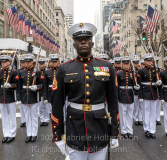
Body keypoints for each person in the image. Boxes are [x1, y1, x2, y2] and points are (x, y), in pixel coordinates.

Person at [51, 23, 119, 159]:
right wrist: (57, 135)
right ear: (74, 44)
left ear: (92, 43)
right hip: (75, 128)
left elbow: (113, 102)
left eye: (87, 39)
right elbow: (57, 104)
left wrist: (114, 132)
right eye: (79, 39)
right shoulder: (64, 69)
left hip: (100, 127)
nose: (83, 41)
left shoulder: (106, 67)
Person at [18, 53, 44, 143]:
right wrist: (19, 98)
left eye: (29, 62)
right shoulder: (21, 72)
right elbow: (19, 86)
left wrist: (37, 87)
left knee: (33, 116)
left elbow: (42, 84)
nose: (27, 63)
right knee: (27, 116)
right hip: (25, 97)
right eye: (26, 62)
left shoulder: (38, 72)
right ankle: (28, 134)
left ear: (33, 62)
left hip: (33, 97)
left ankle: (34, 134)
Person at [137, 53, 162, 139]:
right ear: (144, 61)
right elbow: (139, 84)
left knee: (153, 113)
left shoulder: (155, 70)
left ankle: (152, 130)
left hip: (154, 93)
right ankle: (146, 129)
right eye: (147, 61)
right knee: (145, 112)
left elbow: (158, 82)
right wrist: (140, 95)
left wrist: (159, 84)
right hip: (145, 93)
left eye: (150, 60)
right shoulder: (141, 71)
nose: (149, 62)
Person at [0, 55, 19, 143]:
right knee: (4, 117)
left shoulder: (14, 72)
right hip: (2, 98)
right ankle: (6, 134)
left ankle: (12, 134)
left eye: (5, 62)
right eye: (2, 62)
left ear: (9, 62)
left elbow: (17, 84)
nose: (3, 63)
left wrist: (11, 86)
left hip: (11, 97)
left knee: (12, 117)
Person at [117, 56, 140, 139]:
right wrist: (117, 97)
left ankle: (129, 130)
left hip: (130, 95)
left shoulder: (132, 73)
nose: (126, 66)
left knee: (130, 114)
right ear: (122, 64)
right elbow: (116, 86)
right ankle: (123, 130)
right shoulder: (119, 73)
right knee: (122, 115)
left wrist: (136, 87)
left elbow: (135, 84)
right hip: (122, 95)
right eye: (125, 64)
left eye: (128, 64)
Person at [132, 55, 143, 126]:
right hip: (135, 91)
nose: (136, 64)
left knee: (141, 106)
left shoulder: (140, 70)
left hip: (141, 90)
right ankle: (136, 118)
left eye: (137, 63)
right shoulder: (131, 71)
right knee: (136, 106)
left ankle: (140, 119)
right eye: (135, 63)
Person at [38, 58, 49, 127]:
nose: (41, 65)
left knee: (46, 107)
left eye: (42, 64)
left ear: (45, 64)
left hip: (46, 92)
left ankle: (47, 119)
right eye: (40, 64)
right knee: (40, 107)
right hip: (39, 92)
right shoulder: (37, 72)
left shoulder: (47, 72)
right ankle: (42, 119)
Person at [17, 56, 27, 128]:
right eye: (22, 62)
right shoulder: (18, 71)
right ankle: (23, 121)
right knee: (21, 108)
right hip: (21, 91)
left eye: (24, 62)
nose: (22, 64)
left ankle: (27, 120)